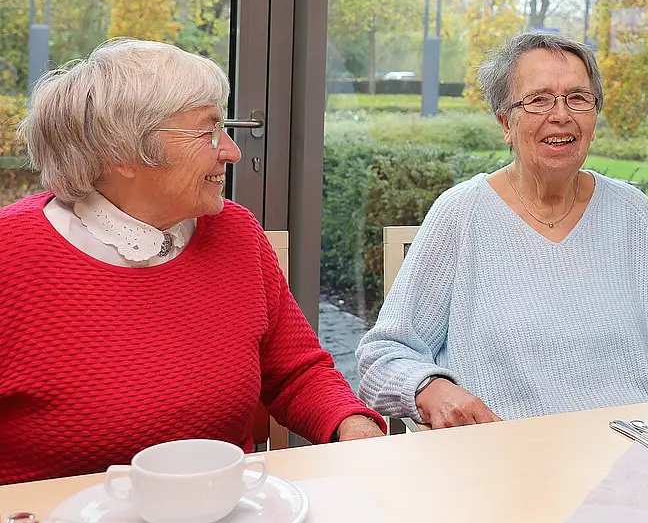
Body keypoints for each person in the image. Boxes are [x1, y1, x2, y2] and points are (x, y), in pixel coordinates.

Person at [0, 39, 385, 485]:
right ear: (123, 151)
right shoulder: (12, 254)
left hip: (223, 517)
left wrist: (355, 428)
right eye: (208, 132)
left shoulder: (235, 231)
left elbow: (295, 372)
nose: (232, 151)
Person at [356, 32, 648, 428]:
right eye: (539, 99)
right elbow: (384, 354)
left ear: (594, 118)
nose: (561, 114)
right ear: (505, 124)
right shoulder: (462, 214)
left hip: (644, 446)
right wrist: (433, 389)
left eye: (578, 98)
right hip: (512, 456)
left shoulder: (633, 212)